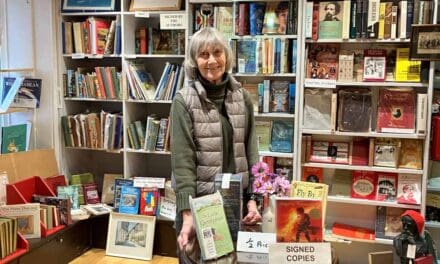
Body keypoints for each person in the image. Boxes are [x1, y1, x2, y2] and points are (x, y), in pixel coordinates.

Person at [170, 27, 261, 259]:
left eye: (217, 52)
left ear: (226, 56)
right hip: (200, 207)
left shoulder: (242, 97)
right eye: (203, 54)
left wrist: (253, 200)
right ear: (194, 61)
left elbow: (251, 153)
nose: (211, 60)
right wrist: (187, 215)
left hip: (236, 205)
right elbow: (183, 163)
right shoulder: (183, 101)